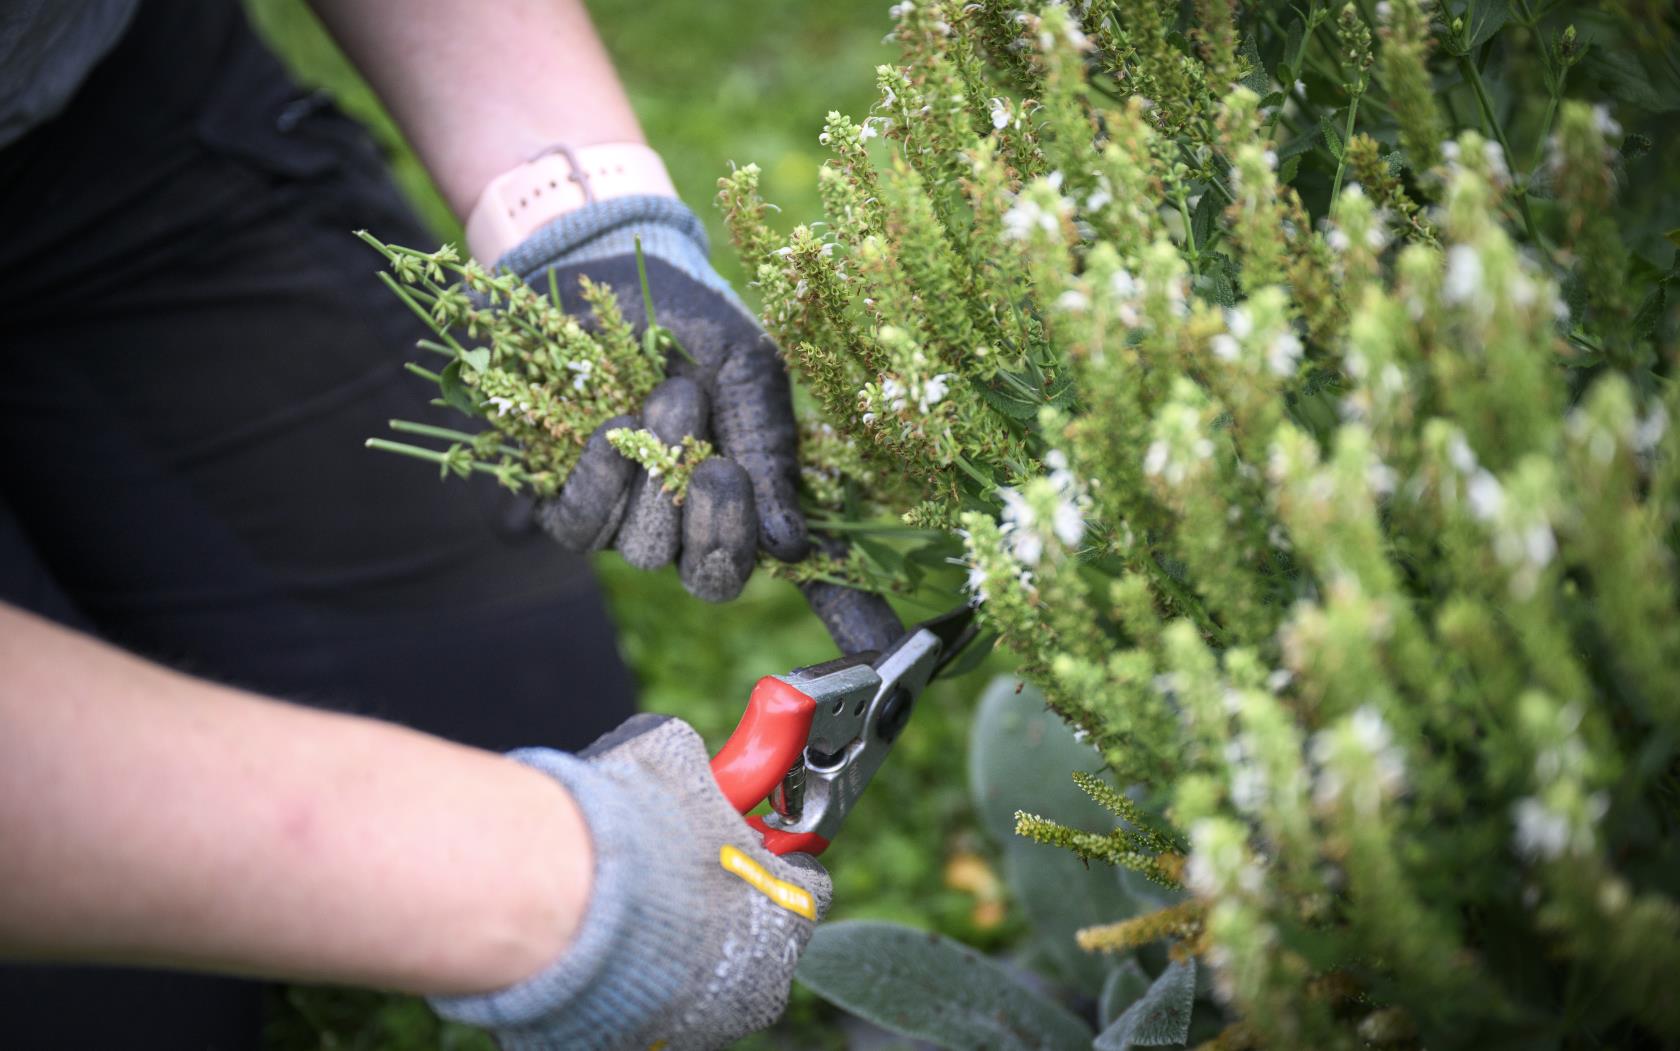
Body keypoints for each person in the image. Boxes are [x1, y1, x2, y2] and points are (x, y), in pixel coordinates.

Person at [0, 1, 897, 1047]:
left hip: (82, 125)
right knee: (117, 1006)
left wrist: (581, 212)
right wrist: (555, 885)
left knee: (517, 717)